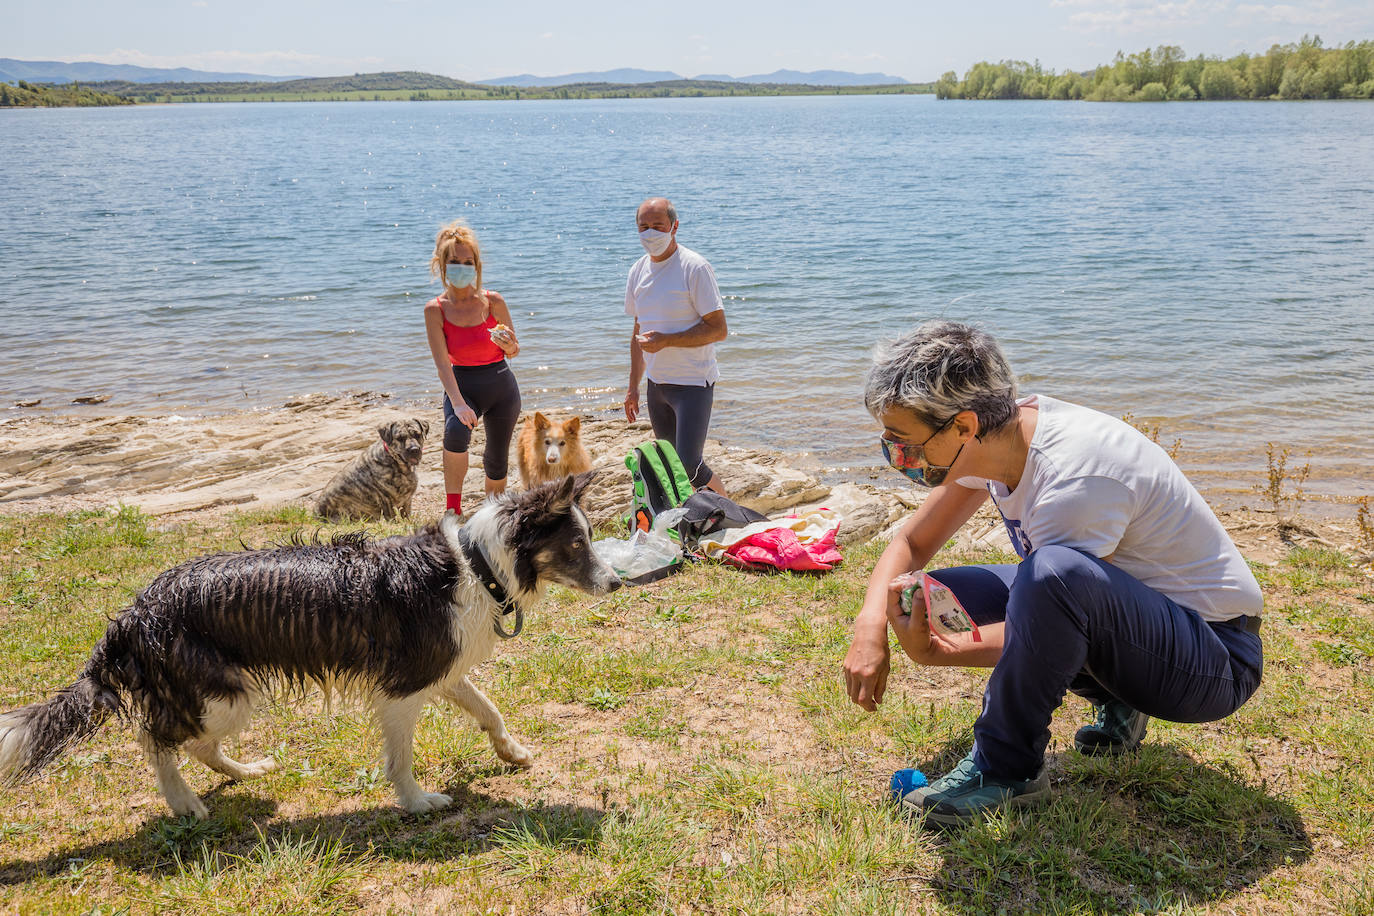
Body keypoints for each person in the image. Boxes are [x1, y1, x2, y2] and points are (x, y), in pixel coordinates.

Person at [842, 320, 1263, 828]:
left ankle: (1005, 771)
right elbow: (912, 543)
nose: (895, 456)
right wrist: (871, 627)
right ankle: (1121, 705)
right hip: (1144, 625)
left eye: (903, 441)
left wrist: (936, 651)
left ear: (963, 426)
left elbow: (1052, 622)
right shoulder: (997, 437)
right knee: (940, 596)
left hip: (1212, 660)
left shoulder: (1073, 478)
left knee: (1051, 576)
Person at [623, 197, 728, 495]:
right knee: (672, 468)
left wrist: (666, 341)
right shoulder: (637, 271)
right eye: (643, 227)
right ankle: (695, 523)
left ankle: (731, 517)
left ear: (674, 226)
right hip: (657, 387)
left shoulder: (695, 268)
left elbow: (719, 330)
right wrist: (633, 387)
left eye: (658, 226)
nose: (650, 233)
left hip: (693, 384)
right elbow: (637, 332)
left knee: (691, 466)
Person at [423, 222, 521, 517]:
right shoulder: (435, 309)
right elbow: (442, 362)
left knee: (496, 457)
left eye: (468, 262)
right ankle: (453, 510)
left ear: (477, 266)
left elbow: (514, 351)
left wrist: (509, 345)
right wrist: (458, 403)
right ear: (442, 265)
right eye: (455, 262)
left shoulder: (493, 302)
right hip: (462, 384)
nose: (462, 267)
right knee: (454, 432)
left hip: (501, 385)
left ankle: (492, 517)